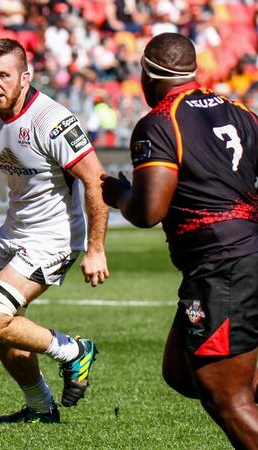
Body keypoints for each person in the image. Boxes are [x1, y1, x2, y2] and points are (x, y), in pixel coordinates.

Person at [101, 32, 258, 448]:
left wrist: (118, 195)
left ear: (148, 74)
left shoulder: (160, 122)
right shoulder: (242, 112)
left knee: (227, 397)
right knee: (181, 371)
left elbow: (149, 211)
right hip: (242, 257)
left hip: (221, 266)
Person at [0, 38, 109, 422]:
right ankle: (41, 409)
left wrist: (95, 248)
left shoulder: (51, 120)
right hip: (13, 230)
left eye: (3, 75)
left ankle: (74, 351)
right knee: (2, 329)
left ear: (25, 76)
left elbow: (96, 180)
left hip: (53, 237)